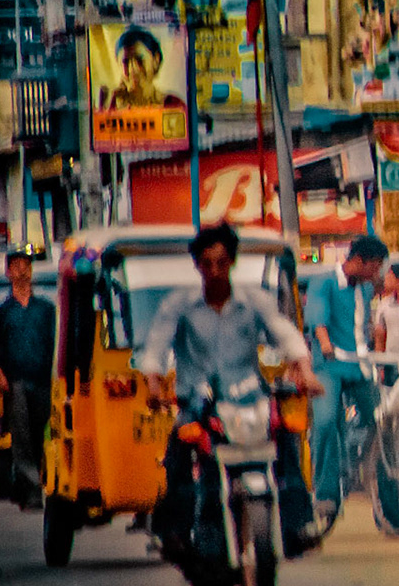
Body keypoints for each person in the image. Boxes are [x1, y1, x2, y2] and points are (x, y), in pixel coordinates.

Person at [137, 224, 321, 561]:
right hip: (197, 402)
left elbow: (286, 334)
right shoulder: (180, 305)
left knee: (287, 447)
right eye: (207, 264)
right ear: (198, 266)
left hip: (250, 399)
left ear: (232, 263)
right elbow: (156, 348)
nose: (215, 271)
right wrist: (152, 384)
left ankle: (299, 526)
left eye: (222, 262)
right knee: (177, 452)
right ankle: (173, 532)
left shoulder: (254, 301)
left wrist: (305, 372)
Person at [306, 235, 389, 524]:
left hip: (359, 366)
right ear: (359, 261)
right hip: (329, 366)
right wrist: (325, 344)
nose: (377, 273)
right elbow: (318, 321)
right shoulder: (324, 283)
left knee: (382, 425)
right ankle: (326, 494)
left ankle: (388, 509)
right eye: (375, 266)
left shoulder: (365, 290)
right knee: (327, 422)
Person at [0, 251, 55, 508]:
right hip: (16, 382)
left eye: (25, 266)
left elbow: (54, 344)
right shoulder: (1, 314)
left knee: (41, 433)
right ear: (8, 273)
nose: (21, 271)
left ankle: (38, 481)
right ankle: (32, 488)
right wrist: (0, 374)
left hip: (44, 381)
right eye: (16, 267)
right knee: (22, 435)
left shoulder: (46, 310)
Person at [101, 25, 185, 110]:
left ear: (156, 60)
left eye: (139, 60)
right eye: (125, 62)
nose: (132, 69)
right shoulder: (113, 105)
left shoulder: (173, 105)